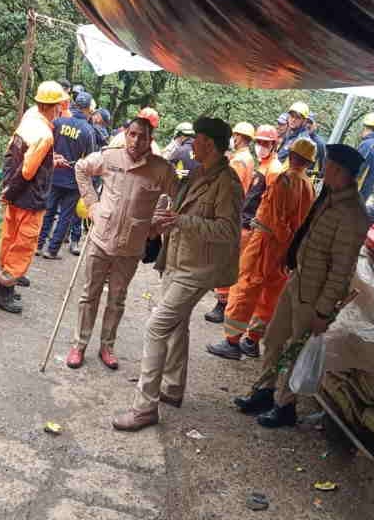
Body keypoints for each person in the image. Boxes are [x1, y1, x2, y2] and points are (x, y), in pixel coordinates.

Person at [112, 117, 242, 432]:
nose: (189, 144)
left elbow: (227, 230)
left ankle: (144, 408)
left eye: (195, 139)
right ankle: (171, 387)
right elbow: (175, 186)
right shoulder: (196, 171)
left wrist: (182, 221)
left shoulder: (228, 183)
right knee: (176, 326)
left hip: (198, 268)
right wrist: (163, 213)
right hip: (177, 259)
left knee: (157, 326)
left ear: (209, 144)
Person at [234, 145, 371, 428]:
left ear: (345, 173)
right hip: (298, 282)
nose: (327, 171)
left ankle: (285, 406)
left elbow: (342, 270)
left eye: (332, 167)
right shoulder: (329, 198)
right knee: (273, 338)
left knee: (294, 351)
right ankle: (264, 390)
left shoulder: (352, 214)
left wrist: (323, 312)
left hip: (315, 295)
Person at [68, 116, 178, 370]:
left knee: (117, 298)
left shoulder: (161, 169)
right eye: (132, 134)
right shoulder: (109, 156)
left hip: (131, 245)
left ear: (151, 140)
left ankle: (107, 346)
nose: (136, 140)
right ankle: (79, 344)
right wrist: (92, 205)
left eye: (143, 136)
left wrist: (158, 225)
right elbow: (80, 169)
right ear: (126, 134)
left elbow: (180, 198)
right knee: (89, 294)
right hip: (100, 238)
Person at [206, 138, 316, 360]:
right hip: (284, 250)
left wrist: (272, 238)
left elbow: (275, 218)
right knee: (270, 295)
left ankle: (232, 341)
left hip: (266, 242)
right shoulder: (309, 185)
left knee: (246, 287)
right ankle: (252, 340)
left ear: (293, 156)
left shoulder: (285, 180)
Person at [0, 81, 69, 314]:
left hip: (15, 193)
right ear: (52, 106)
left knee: (9, 238)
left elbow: (16, 157)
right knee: (23, 244)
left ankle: (3, 281)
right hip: (30, 198)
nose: (61, 110)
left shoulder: (29, 121)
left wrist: (9, 191)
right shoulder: (45, 133)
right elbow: (28, 169)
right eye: (59, 106)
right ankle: (2, 291)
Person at [206, 123, 284, 323]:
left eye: (265, 143)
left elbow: (269, 203)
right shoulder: (262, 164)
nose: (260, 146)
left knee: (233, 265)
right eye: (259, 142)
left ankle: (224, 306)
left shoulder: (272, 169)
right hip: (246, 220)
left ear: (274, 145)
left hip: (251, 225)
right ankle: (224, 304)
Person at [37, 90, 97, 259]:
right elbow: (91, 159)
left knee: (48, 211)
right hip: (73, 180)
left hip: (53, 174)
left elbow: (47, 146)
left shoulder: (58, 122)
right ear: (87, 109)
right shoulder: (88, 131)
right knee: (65, 216)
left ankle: (38, 245)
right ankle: (52, 250)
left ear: (74, 105)